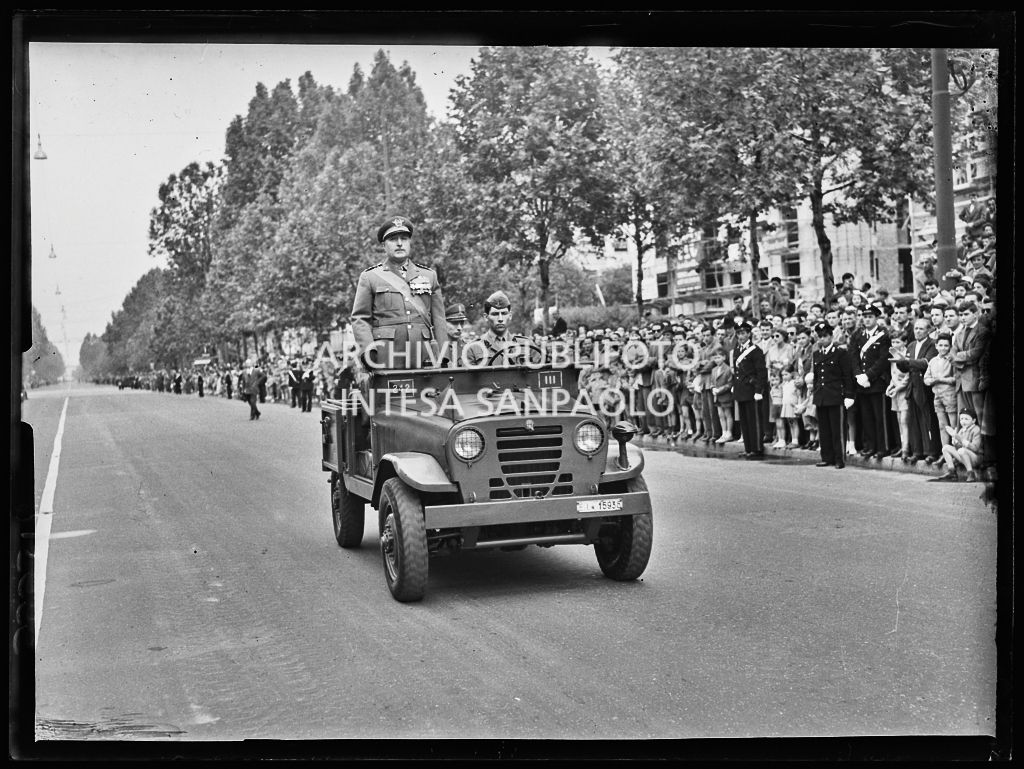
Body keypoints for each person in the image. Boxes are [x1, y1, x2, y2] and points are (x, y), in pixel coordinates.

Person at [350, 215, 447, 370]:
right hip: (385, 357)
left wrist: (444, 354)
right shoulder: (370, 277)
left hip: (424, 357)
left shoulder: (429, 276)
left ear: (410, 243)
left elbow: (439, 319)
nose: (400, 243)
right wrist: (369, 351)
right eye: (393, 239)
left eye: (404, 238)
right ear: (384, 246)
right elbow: (360, 319)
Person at [811, 321, 856, 469]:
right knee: (824, 429)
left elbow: (847, 375)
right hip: (822, 396)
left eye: (825, 336)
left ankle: (839, 458)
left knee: (837, 429)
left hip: (836, 395)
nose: (822, 339)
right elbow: (817, 376)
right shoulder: (817, 354)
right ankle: (827, 457)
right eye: (820, 336)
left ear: (831, 336)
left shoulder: (840, 353)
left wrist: (849, 395)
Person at [896, 318, 941, 463]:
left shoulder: (933, 345)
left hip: (925, 387)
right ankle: (918, 451)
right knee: (914, 421)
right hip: (912, 385)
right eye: (916, 328)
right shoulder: (911, 345)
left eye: (921, 329)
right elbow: (904, 367)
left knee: (928, 420)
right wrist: (900, 362)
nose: (917, 331)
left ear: (928, 330)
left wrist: (907, 362)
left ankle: (932, 451)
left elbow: (925, 363)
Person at [852, 304, 890, 459]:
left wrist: (868, 376)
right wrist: (859, 376)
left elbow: (883, 360)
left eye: (870, 317)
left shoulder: (883, 335)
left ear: (876, 318)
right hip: (862, 383)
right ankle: (870, 446)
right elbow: (853, 357)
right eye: (865, 316)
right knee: (866, 417)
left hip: (876, 382)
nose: (867, 319)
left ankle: (882, 447)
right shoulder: (858, 335)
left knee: (879, 417)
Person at [729, 322, 769, 459]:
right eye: (738, 333)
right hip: (741, 389)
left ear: (749, 334)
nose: (740, 336)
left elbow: (761, 373)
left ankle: (756, 448)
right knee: (744, 421)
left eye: (743, 333)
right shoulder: (737, 349)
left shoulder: (755, 350)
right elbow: (737, 372)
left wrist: (759, 390)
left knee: (754, 420)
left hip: (752, 389)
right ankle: (748, 448)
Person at [463, 291, 532, 367]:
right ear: (486, 317)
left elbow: (541, 373)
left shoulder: (527, 345)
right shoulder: (472, 348)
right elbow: (467, 377)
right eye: (495, 314)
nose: (500, 319)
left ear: (510, 315)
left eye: (504, 313)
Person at [924, 332, 958, 469]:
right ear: (936, 346)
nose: (943, 348)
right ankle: (945, 454)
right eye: (940, 345)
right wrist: (931, 381)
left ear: (950, 346)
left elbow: (955, 378)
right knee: (942, 426)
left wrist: (940, 380)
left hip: (950, 396)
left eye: (946, 345)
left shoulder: (951, 360)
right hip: (937, 396)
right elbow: (926, 378)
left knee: (953, 426)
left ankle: (955, 455)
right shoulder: (933, 361)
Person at [932, 408, 982, 482]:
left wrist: (959, 438)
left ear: (973, 420)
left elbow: (975, 448)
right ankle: (951, 472)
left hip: (975, 458)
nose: (963, 421)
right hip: (964, 456)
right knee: (946, 448)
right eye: (961, 419)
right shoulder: (962, 430)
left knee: (961, 451)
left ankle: (970, 473)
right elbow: (958, 447)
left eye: (966, 419)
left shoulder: (976, 429)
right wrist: (954, 441)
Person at [708, 347, 734, 444]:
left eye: (718, 357)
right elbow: (712, 381)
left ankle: (729, 433)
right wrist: (713, 388)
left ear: (724, 357)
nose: (717, 360)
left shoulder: (727, 369)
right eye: (715, 358)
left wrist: (720, 389)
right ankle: (724, 432)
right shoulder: (714, 369)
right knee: (720, 414)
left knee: (727, 414)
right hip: (716, 395)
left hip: (725, 395)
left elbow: (730, 383)